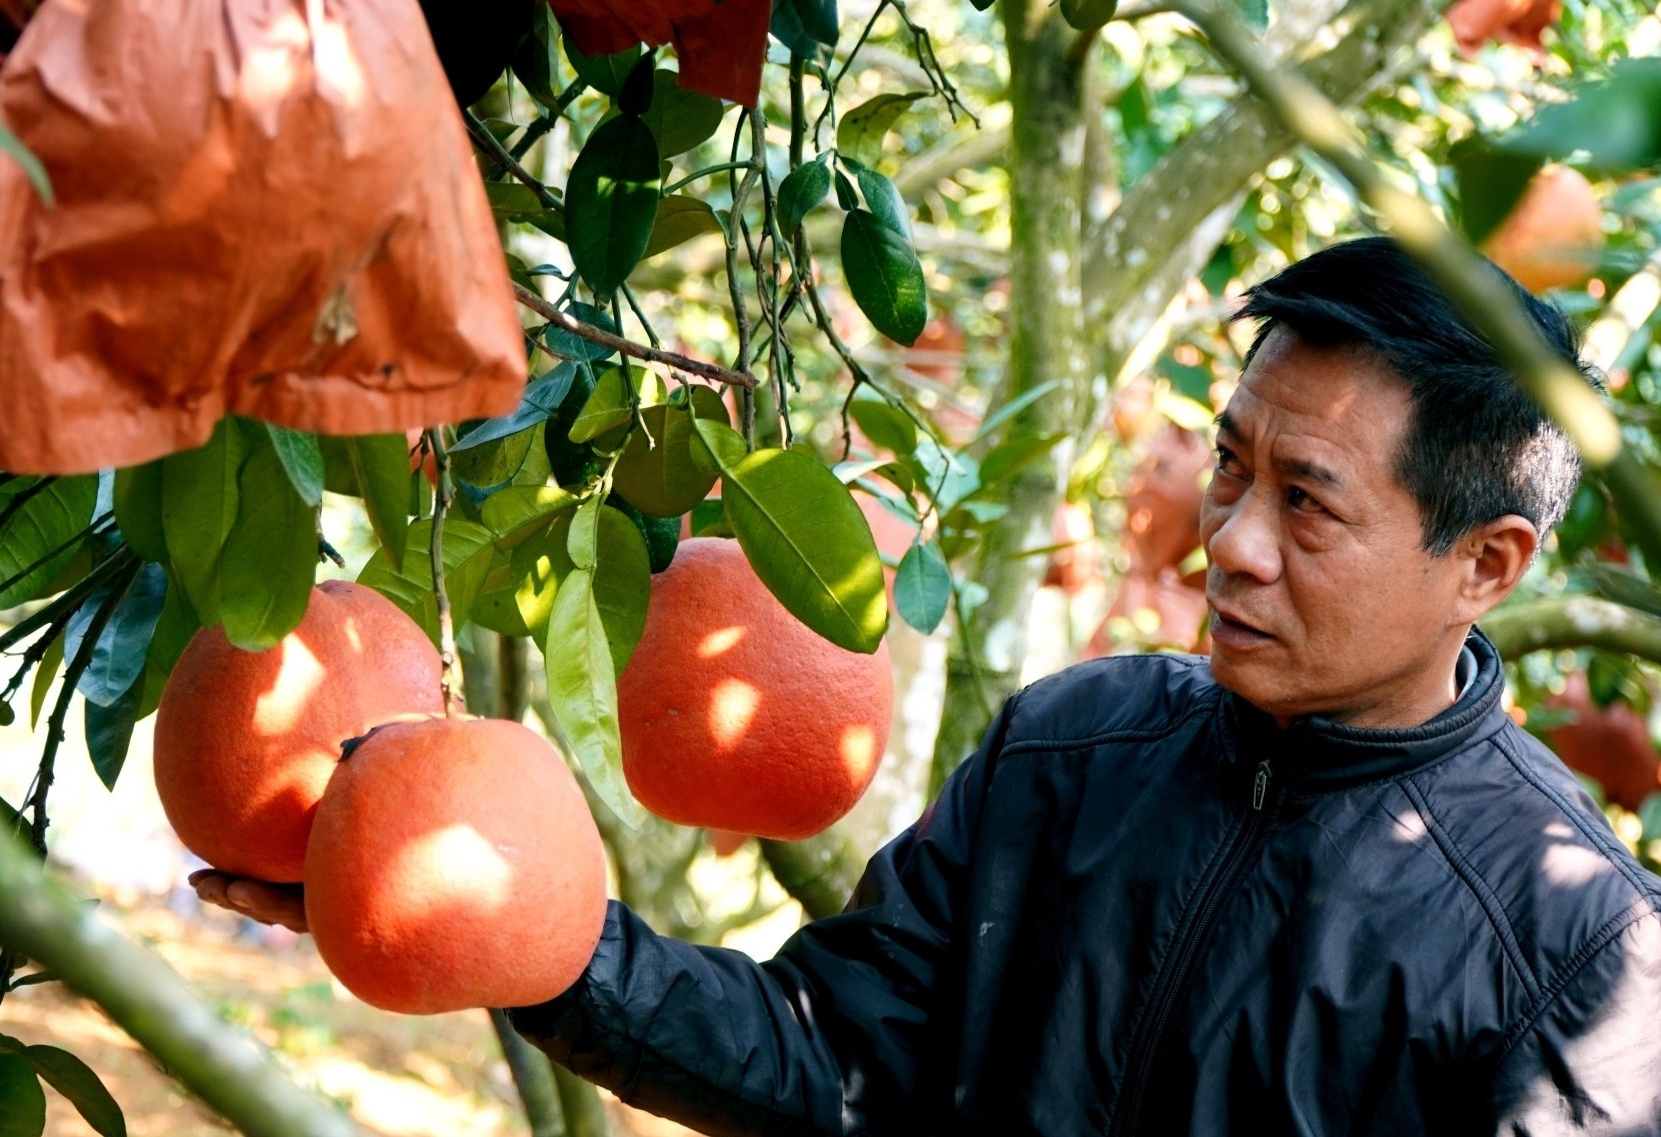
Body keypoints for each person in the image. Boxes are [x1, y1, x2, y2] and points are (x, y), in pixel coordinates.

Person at [195, 236, 1661, 1135]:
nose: (1231, 539)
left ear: (1486, 563)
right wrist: (543, 949)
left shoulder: (1578, 958)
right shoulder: (1077, 747)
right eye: (1229, 465)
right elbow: (836, 1061)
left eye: (1308, 502)